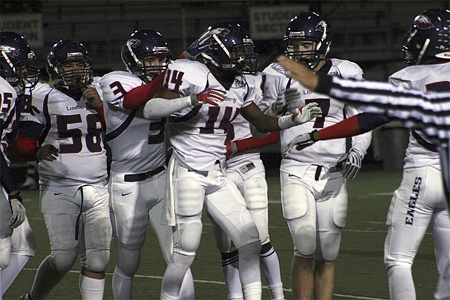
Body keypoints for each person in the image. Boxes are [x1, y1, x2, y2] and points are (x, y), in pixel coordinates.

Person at [142, 22, 322, 300]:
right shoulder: (191, 73)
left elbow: (260, 122)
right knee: (185, 251)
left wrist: (292, 119)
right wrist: (191, 99)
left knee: (250, 239)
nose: (242, 57)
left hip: (217, 172)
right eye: (237, 51)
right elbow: (151, 108)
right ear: (217, 53)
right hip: (188, 169)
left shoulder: (241, 83)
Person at [277, 15, 450, 300]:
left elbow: (369, 118)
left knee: (398, 260)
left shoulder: (410, 77)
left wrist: (320, 135)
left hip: (423, 173)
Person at [249, 12, 371, 300]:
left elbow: (362, 118)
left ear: (322, 43)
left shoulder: (347, 71)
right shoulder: (276, 73)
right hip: (296, 169)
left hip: (333, 171)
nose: (299, 50)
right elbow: (258, 125)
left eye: (305, 44)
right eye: (295, 44)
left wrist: (357, 151)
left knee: (328, 253)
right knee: (304, 247)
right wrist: (276, 106)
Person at [98, 29, 194, 299]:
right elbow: (132, 100)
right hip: (127, 185)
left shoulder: (166, 86)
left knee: (180, 258)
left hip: (162, 179)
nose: (158, 65)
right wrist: (170, 75)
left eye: (162, 59)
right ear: (133, 60)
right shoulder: (114, 80)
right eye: (151, 60)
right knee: (128, 262)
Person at [15, 39, 112, 300]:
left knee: (99, 259)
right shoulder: (42, 96)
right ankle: (33, 298)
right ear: (56, 68)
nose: (75, 70)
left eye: (80, 64)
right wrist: (35, 151)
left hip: (99, 186)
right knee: (63, 258)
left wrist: (100, 107)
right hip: (59, 187)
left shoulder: (100, 90)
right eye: (68, 64)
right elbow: (23, 140)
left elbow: (118, 133)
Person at [0, 31, 38, 299]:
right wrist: (13, 192)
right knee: (5, 253)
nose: (24, 70)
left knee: (23, 244)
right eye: (21, 64)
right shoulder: (4, 90)